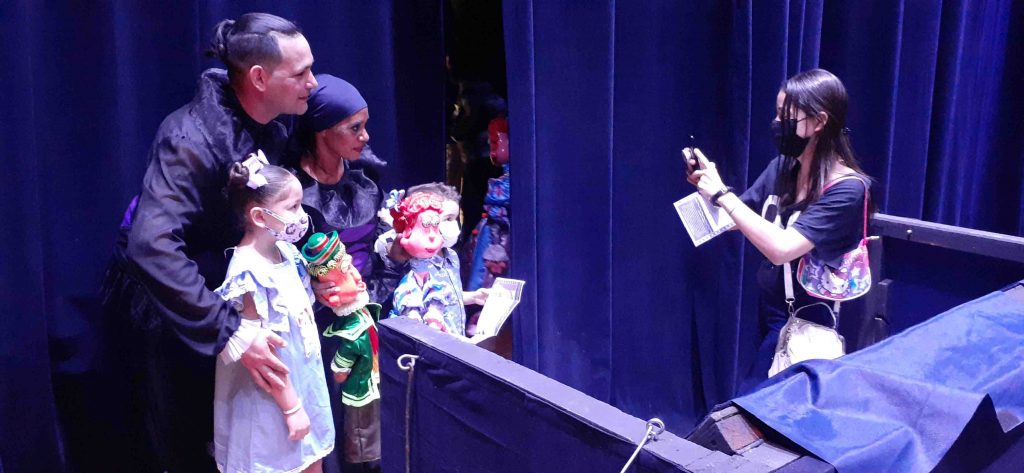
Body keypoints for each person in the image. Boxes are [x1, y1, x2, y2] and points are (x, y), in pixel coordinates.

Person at [100, 13, 318, 471]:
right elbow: (151, 246)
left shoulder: (273, 129)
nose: (312, 83)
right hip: (170, 308)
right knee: (186, 445)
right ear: (259, 78)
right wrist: (230, 330)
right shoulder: (189, 138)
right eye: (300, 73)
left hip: (225, 298)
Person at [684, 69, 873, 394]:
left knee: (765, 408)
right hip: (772, 314)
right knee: (755, 404)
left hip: (812, 322)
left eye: (786, 116)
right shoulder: (783, 168)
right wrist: (708, 188)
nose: (777, 123)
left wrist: (722, 195)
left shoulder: (848, 189)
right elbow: (734, 218)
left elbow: (782, 249)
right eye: (777, 113)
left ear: (819, 121)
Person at [215, 158, 334, 473]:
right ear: (259, 216)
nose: (302, 215)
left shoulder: (287, 252)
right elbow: (263, 354)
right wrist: (291, 407)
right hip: (271, 399)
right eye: (293, 207)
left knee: (312, 458)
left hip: (303, 380)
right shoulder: (247, 273)